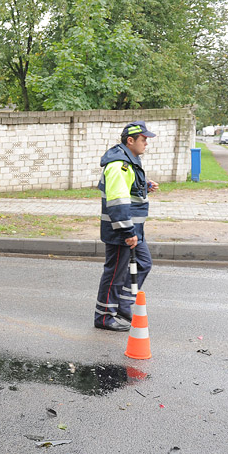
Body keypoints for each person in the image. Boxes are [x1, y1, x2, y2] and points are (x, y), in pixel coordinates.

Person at [94, 121, 159, 332]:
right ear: (130, 141)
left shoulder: (130, 161)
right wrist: (128, 232)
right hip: (122, 229)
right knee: (115, 273)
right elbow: (117, 201)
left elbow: (128, 189)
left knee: (143, 263)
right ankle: (104, 316)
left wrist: (145, 185)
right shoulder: (118, 164)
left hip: (133, 229)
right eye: (143, 139)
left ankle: (122, 305)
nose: (146, 143)